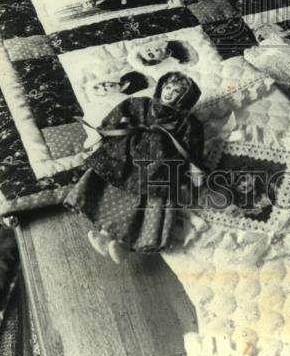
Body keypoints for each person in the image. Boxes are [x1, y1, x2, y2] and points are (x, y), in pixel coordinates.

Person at [64, 72, 205, 252]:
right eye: (167, 87)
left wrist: (195, 167)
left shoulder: (187, 121)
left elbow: (191, 147)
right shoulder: (141, 103)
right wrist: (102, 135)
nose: (169, 92)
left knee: (141, 204)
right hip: (125, 156)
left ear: (185, 97)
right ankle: (105, 235)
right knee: (111, 192)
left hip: (157, 166)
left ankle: (119, 244)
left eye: (177, 91)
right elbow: (117, 118)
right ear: (161, 86)